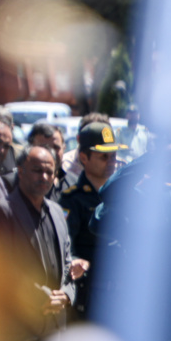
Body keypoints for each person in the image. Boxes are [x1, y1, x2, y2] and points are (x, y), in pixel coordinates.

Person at [0, 145, 81, 334]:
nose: (44, 177)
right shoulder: (1, 211)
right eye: (37, 170)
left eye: (50, 172)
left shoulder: (57, 211)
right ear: (21, 171)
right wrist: (41, 297)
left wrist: (66, 294)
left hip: (55, 324)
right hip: (18, 326)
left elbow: (67, 262)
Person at [60, 121, 125, 317]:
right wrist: (75, 262)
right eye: (103, 157)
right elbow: (65, 246)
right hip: (88, 296)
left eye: (113, 155)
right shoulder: (72, 199)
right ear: (83, 158)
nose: (111, 161)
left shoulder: (125, 196)